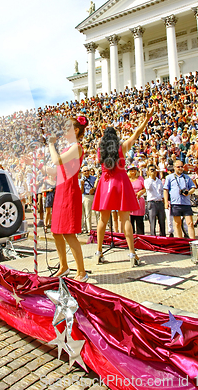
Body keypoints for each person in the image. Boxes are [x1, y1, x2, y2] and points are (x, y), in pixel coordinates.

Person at [92, 109, 153, 266]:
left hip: (105, 183)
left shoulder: (100, 151)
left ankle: (98, 252)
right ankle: (132, 253)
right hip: (121, 181)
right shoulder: (122, 147)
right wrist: (146, 120)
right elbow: (137, 133)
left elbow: (98, 163)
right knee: (125, 218)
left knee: (102, 220)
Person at [48, 116, 88, 282]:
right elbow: (56, 169)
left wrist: (51, 144)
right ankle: (63, 266)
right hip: (61, 190)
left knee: (69, 233)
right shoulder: (67, 148)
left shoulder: (76, 147)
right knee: (56, 232)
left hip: (70, 192)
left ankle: (81, 271)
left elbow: (56, 161)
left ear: (76, 130)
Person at [163, 160, 196, 239]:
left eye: (181, 166)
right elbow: (165, 190)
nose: (180, 168)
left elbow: (193, 188)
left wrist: (188, 192)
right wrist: (166, 202)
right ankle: (180, 240)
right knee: (177, 223)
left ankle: (192, 240)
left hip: (186, 203)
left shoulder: (187, 177)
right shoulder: (169, 177)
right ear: (174, 168)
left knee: (190, 223)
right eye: (178, 167)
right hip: (175, 203)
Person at [144, 165, 166, 237]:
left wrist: (164, 201)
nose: (153, 171)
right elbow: (148, 188)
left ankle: (163, 236)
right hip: (152, 203)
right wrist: (151, 177)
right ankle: (153, 236)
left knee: (162, 221)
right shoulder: (147, 181)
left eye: (154, 170)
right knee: (152, 222)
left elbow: (161, 192)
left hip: (159, 202)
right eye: (151, 170)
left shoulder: (159, 181)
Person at [128, 166, 146, 234]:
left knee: (139, 221)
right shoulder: (127, 179)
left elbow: (145, 188)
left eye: (134, 169)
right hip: (129, 201)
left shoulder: (140, 178)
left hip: (139, 200)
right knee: (130, 221)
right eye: (131, 169)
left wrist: (140, 192)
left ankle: (141, 237)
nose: (133, 170)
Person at [80, 165, 98, 234]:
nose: (87, 172)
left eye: (88, 170)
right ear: (82, 172)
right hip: (86, 196)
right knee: (88, 213)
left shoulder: (94, 178)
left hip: (94, 195)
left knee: (97, 213)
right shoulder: (81, 180)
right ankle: (89, 229)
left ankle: (98, 228)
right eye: (85, 171)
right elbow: (81, 191)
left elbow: (97, 187)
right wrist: (82, 185)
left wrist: (93, 189)